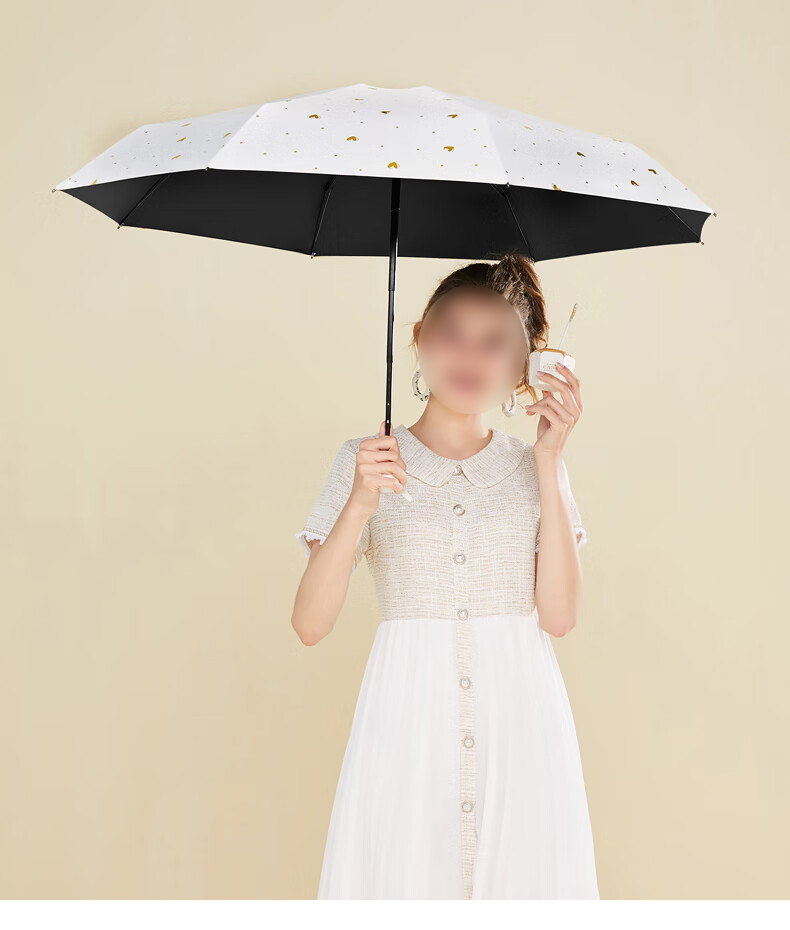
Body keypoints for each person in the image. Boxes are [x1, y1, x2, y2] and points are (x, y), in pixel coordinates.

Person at [291, 252, 599, 900]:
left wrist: (549, 463)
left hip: (521, 719)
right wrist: (359, 505)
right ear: (419, 339)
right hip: (407, 713)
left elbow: (560, 618)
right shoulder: (364, 461)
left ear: (524, 366)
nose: (469, 356)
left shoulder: (536, 468)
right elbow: (310, 625)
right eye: (452, 333)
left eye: (494, 342)